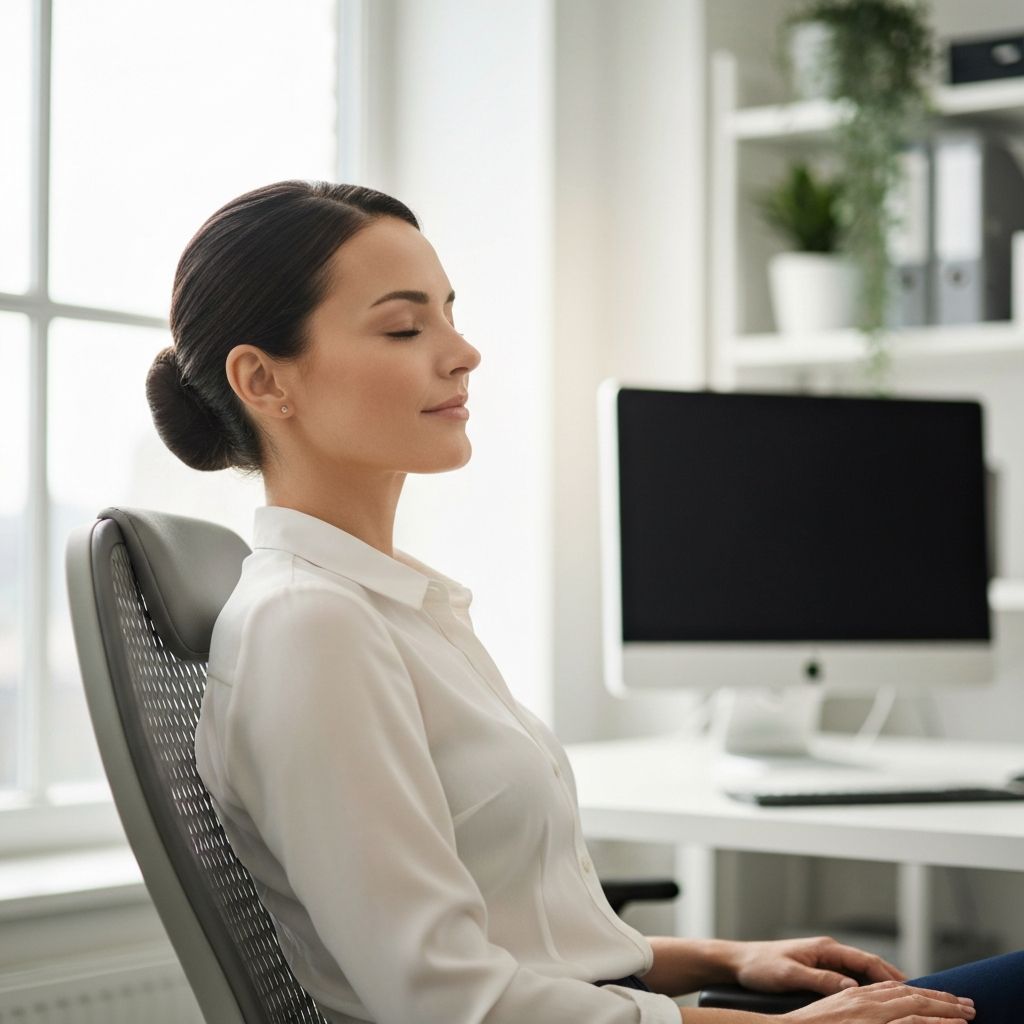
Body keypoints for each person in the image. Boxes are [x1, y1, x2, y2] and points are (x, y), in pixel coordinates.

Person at [146, 180, 1021, 1023]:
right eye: (405, 326)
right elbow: (446, 1004)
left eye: (449, 313)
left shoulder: (395, 604)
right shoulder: (309, 625)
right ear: (264, 381)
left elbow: (524, 944)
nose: (462, 351)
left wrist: (722, 958)